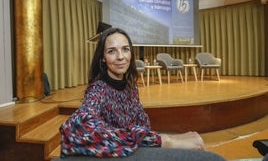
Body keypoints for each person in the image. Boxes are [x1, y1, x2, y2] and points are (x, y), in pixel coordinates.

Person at [59, 27, 206, 158]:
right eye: (111, 51)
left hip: (137, 150)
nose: (121, 57)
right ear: (103, 58)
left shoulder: (131, 86)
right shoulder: (98, 90)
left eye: (125, 49)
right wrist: (166, 140)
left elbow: (143, 126)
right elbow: (77, 129)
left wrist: (158, 140)